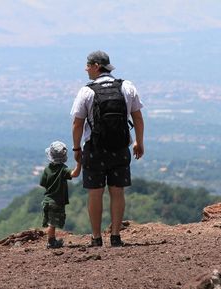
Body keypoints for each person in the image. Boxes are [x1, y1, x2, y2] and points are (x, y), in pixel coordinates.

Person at [70, 50, 144, 247]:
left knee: (95, 193)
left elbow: (77, 123)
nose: (86, 69)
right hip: (120, 147)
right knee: (117, 192)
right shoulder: (126, 87)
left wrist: (77, 149)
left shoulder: (87, 91)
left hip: (95, 149)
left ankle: (96, 237)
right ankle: (116, 236)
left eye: (88, 65)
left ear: (96, 66)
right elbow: (137, 117)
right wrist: (139, 141)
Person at [40, 141, 81, 249]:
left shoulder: (46, 169)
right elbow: (74, 174)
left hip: (47, 200)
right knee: (52, 223)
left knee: (50, 221)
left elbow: (43, 184)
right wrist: (79, 163)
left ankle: (51, 240)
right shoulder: (63, 169)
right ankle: (51, 242)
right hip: (57, 201)